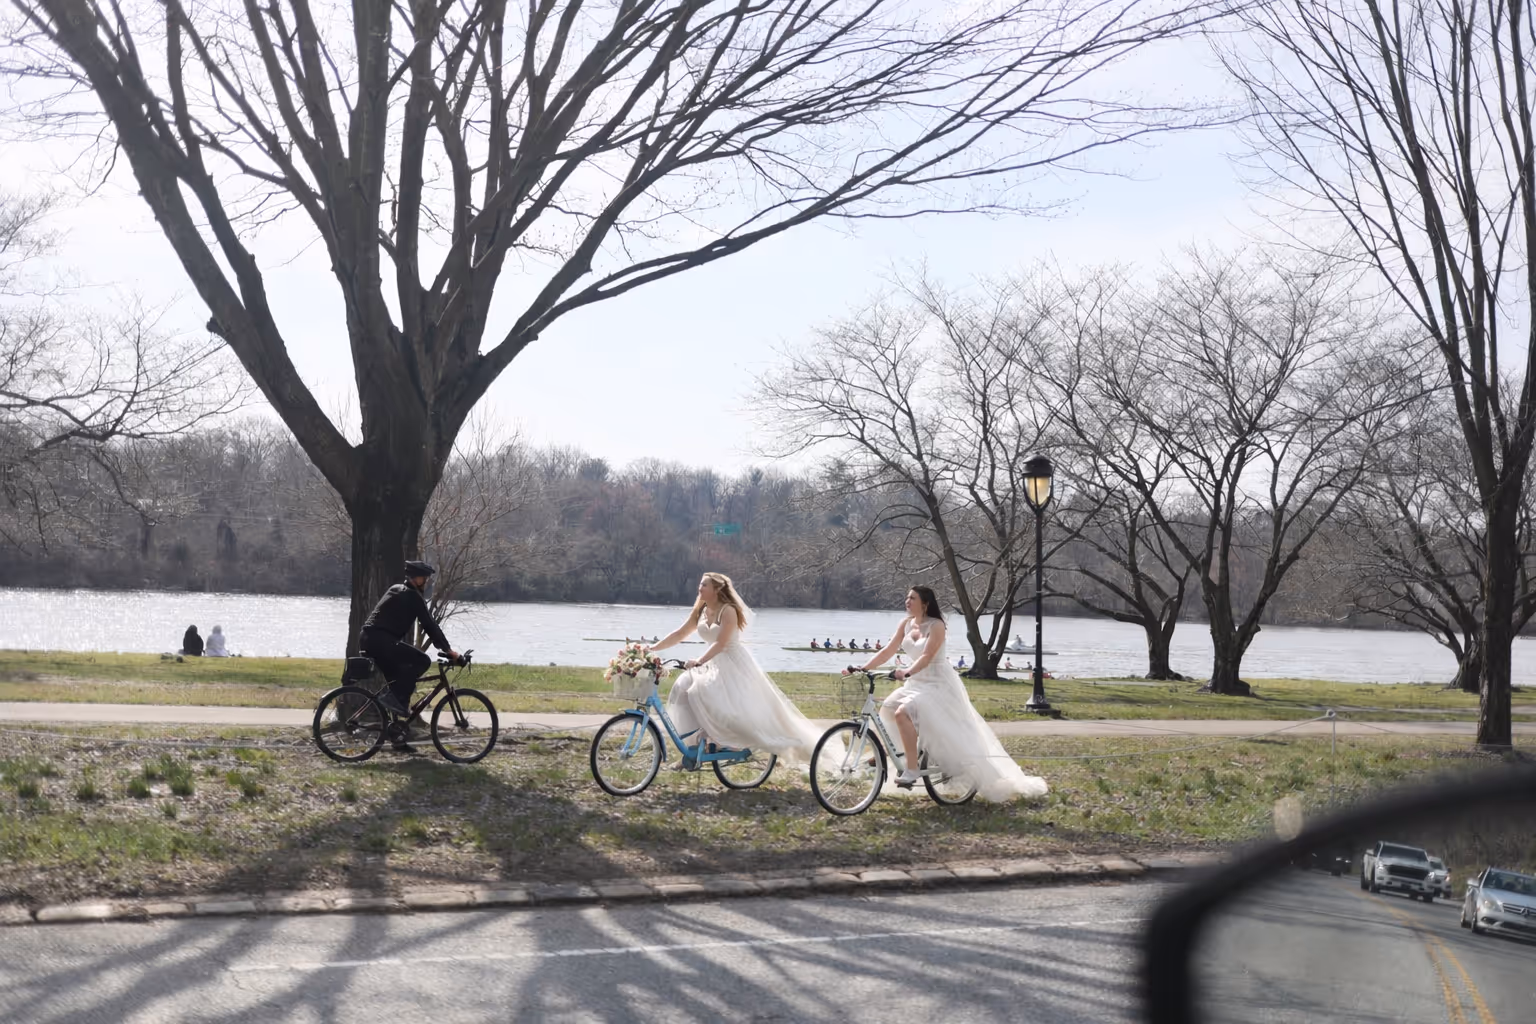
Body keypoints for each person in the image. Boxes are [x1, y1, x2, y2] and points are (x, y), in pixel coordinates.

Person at [844, 586, 1047, 801]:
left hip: (937, 684)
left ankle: (912, 770)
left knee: (902, 712)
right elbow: (887, 651)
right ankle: (904, 754)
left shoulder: (937, 626)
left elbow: (927, 656)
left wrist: (906, 671)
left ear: (925, 603)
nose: (907, 601)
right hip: (915, 683)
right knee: (888, 709)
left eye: (912, 598)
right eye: (906, 597)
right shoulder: (905, 624)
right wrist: (862, 668)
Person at [648, 573, 824, 768]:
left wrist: (699, 660)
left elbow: (721, 643)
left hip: (732, 663)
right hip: (711, 662)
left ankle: (728, 743)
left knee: (708, 697)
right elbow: (680, 633)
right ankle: (696, 748)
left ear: (717, 589)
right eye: (700, 584)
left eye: (704, 585)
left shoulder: (728, 610)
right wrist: (651, 649)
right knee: (683, 689)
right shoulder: (701, 610)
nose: (699, 588)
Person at [359, 560, 460, 718]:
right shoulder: (412, 596)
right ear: (417, 578)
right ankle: (396, 701)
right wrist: (449, 650)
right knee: (422, 661)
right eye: (425, 578)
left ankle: (396, 733)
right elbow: (430, 625)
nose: (426, 582)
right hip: (382, 642)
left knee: (397, 682)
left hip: (368, 638)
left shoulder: (396, 589)